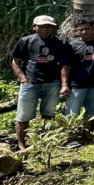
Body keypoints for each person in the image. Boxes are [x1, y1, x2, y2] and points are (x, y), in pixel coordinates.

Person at [11, 15, 71, 150]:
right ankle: (21, 144)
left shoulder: (61, 42)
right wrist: (23, 79)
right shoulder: (25, 41)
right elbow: (15, 61)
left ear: (53, 28)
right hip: (31, 83)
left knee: (48, 114)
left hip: (52, 83)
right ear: (34, 27)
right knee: (23, 116)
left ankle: (44, 141)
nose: (45, 29)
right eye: (41, 26)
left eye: (48, 26)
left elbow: (65, 65)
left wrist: (64, 84)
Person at [66, 18, 94, 131]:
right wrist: (65, 84)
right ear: (77, 31)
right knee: (72, 112)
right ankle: (71, 137)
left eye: (87, 29)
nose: (84, 32)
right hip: (76, 84)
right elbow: (66, 66)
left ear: (93, 29)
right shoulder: (72, 45)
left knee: (92, 113)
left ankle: (86, 133)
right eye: (81, 29)